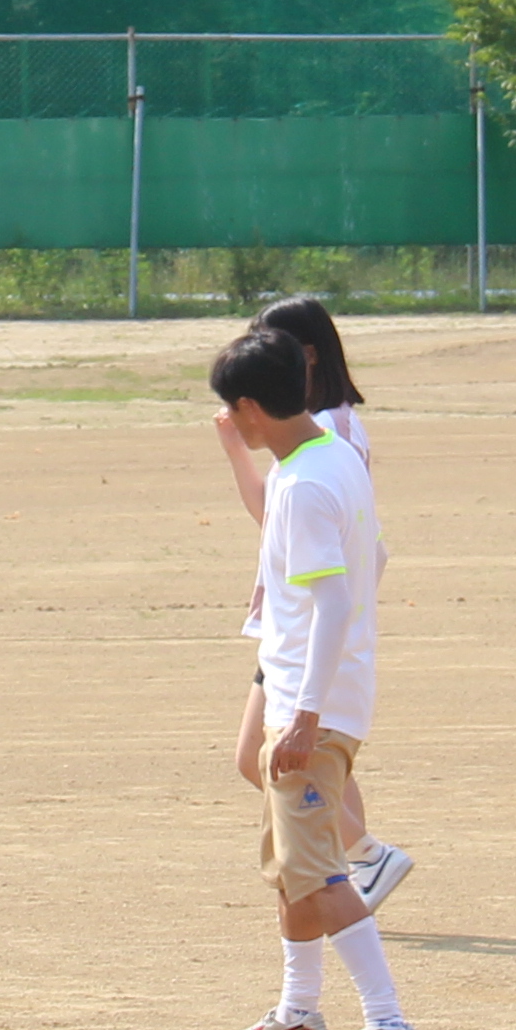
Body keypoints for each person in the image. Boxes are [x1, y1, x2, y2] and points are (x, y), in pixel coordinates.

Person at [213, 324, 421, 1030]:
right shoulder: (335, 457)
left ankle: (389, 1023)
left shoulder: (300, 486)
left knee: (323, 873)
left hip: (312, 706)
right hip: (327, 695)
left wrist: (301, 714)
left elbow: (332, 603)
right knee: (292, 869)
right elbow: (378, 559)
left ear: (247, 408)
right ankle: (299, 1011)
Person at [215, 293, 407, 914]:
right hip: (299, 627)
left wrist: (236, 453)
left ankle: (361, 863)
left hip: (305, 633)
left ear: (307, 355)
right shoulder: (326, 432)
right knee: (298, 765)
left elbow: (300, 527)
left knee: (278, 760)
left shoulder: (326, 435)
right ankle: (355, 865)